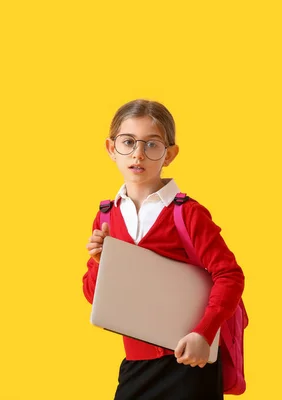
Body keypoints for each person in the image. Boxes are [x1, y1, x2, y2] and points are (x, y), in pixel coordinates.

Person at [82, 99, 244, 400]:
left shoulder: (188, 213)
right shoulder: (106, 215)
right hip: (137, 364)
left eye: (152, 145)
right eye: (128, 142)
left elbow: (230, 275)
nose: (138, 154)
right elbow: (97, 299)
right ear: (110, 148)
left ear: (169, 154)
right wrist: (100, 264)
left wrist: (204, 335)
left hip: (190, 360)